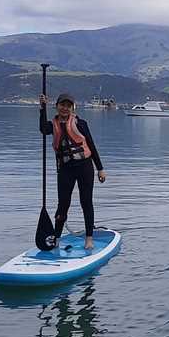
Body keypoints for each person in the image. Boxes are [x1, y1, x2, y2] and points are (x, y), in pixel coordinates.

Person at [39, 92, 106, 249]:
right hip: (65, 169)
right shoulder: (52, 125)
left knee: (86, 202)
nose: (65, 108)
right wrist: (42, 108)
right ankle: (56, 238)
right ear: (57, 106)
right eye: (62, 105)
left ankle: (89, 238)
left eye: (68, 106)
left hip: (85, 167)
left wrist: (100, 169)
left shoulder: (80, 123)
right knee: (63, 204)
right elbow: (43, 129)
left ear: (72, 108)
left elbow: (91, 144)